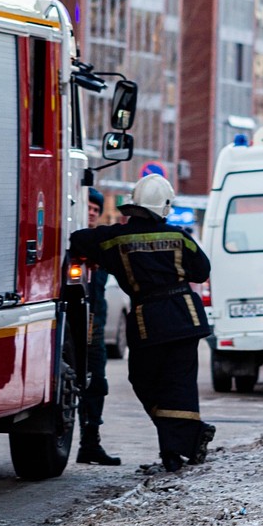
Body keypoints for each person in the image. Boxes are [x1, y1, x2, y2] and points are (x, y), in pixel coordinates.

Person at [70, 174, 215, 473]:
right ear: (164, 207)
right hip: (185, 317)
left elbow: (79, 239)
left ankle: (177, 449)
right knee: (180, 385)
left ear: (133, 205)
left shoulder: (115, 238)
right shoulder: (179, 238)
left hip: (148, 322)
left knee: (145, 380)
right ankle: (186, 440)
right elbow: (202, 271)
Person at [76, 187, 121, 466]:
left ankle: (90, 443)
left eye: (96, 209)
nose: (92, 213)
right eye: (88, 208)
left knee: (97, 385)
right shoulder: (71, 243)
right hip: (72, 332)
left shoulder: (102, 248)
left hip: (95, 333)